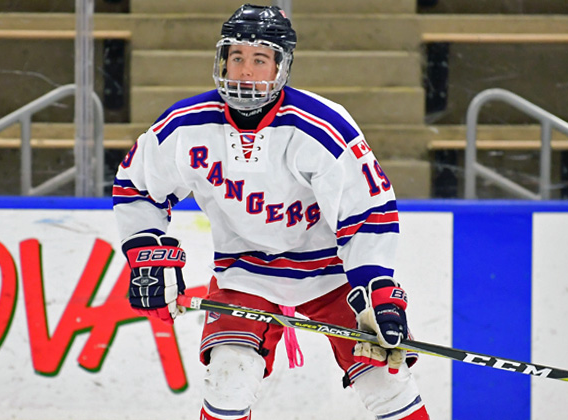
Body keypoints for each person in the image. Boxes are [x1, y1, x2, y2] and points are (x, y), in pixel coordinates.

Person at [113, 4, 429, 420]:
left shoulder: (321, 126)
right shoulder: (186, 126)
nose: (244, 70)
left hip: (330, 275)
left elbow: (367, 210)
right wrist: (145, 251)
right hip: (245, 273)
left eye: (259, 59)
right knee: (229, 378)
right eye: (236, 57)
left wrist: (376, 288)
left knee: (385, 383)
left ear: (281, 67)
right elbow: (136, 185)